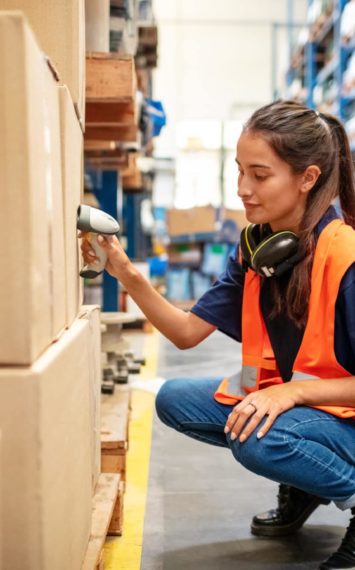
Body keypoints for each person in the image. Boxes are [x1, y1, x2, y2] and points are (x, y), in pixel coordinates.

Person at [81, 100, 355, 570]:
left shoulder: (346, 257)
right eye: (239, 171)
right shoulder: (259, 249)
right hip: (312, 408)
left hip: (342, 413)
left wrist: (293, 392)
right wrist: (123, 269)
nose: (243, 189)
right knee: (174, 399)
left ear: (307, 178)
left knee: (257, 439)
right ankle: (307, 484)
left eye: (260, 175)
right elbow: (187, 333)